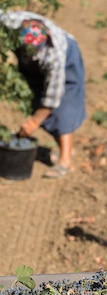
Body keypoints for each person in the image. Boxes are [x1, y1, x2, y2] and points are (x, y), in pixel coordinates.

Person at [0, 10, 86, 178]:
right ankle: (63, 148)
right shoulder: (10, 23)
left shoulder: (54, 57)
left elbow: (52, 99)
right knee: (36, 96)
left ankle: (66, 161)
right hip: (38, 61)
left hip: (68, 60)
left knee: (63, 109)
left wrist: (33, 122)